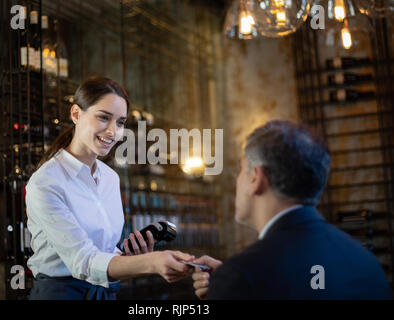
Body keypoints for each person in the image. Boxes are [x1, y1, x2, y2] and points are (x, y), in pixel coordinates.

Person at [26, 76, 193, 300]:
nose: (113, 132)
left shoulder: (110, 179)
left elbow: (102, 254)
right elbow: (83, 262)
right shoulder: (46, 182)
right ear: (76, 114)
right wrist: (149, 263)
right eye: (104, 118)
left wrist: (130, 258)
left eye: (120, 122)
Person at [192, 120, 392, 300]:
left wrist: (227, 288)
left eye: (241, 170)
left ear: (255, 177)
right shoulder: (366, 262)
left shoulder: (241, 277)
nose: (237, 181)